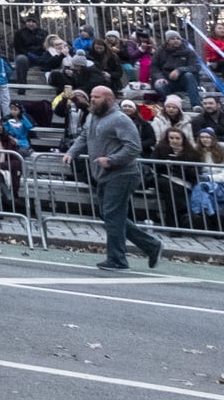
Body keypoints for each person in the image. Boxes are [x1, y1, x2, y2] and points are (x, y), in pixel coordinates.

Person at [67, 84, 162, 272]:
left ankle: (117, 259)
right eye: (92, 96)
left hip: (122, 173)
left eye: (97, 97)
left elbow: (134, 147)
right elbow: (85, 136)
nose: (92, 100)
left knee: (112, 215)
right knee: (110, 215)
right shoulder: (93, 117)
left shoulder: (120, 119)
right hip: (104, 174)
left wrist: (112, 160)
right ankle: (151, 245)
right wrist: (72, 152)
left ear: (109, 100)